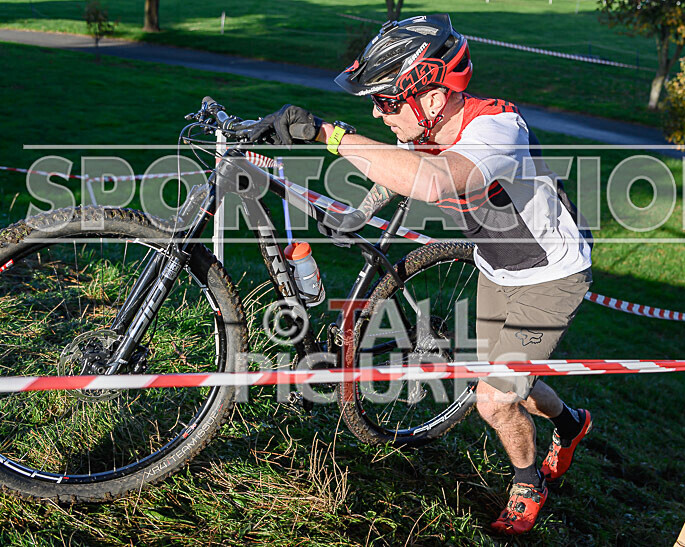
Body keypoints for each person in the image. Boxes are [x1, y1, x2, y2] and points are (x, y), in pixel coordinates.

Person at [243, 13, 593, 536]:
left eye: (386, 102)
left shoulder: (497, 131)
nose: (381, 116)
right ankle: (571, 423)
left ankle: (528, 482)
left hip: (550, 277)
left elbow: (432, 182)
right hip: (496, 267)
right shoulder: (425, 129)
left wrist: (328, 133)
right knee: (508, 375)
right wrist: (347, 215)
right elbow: (396, 178)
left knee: (494, 398)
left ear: (430, 97)